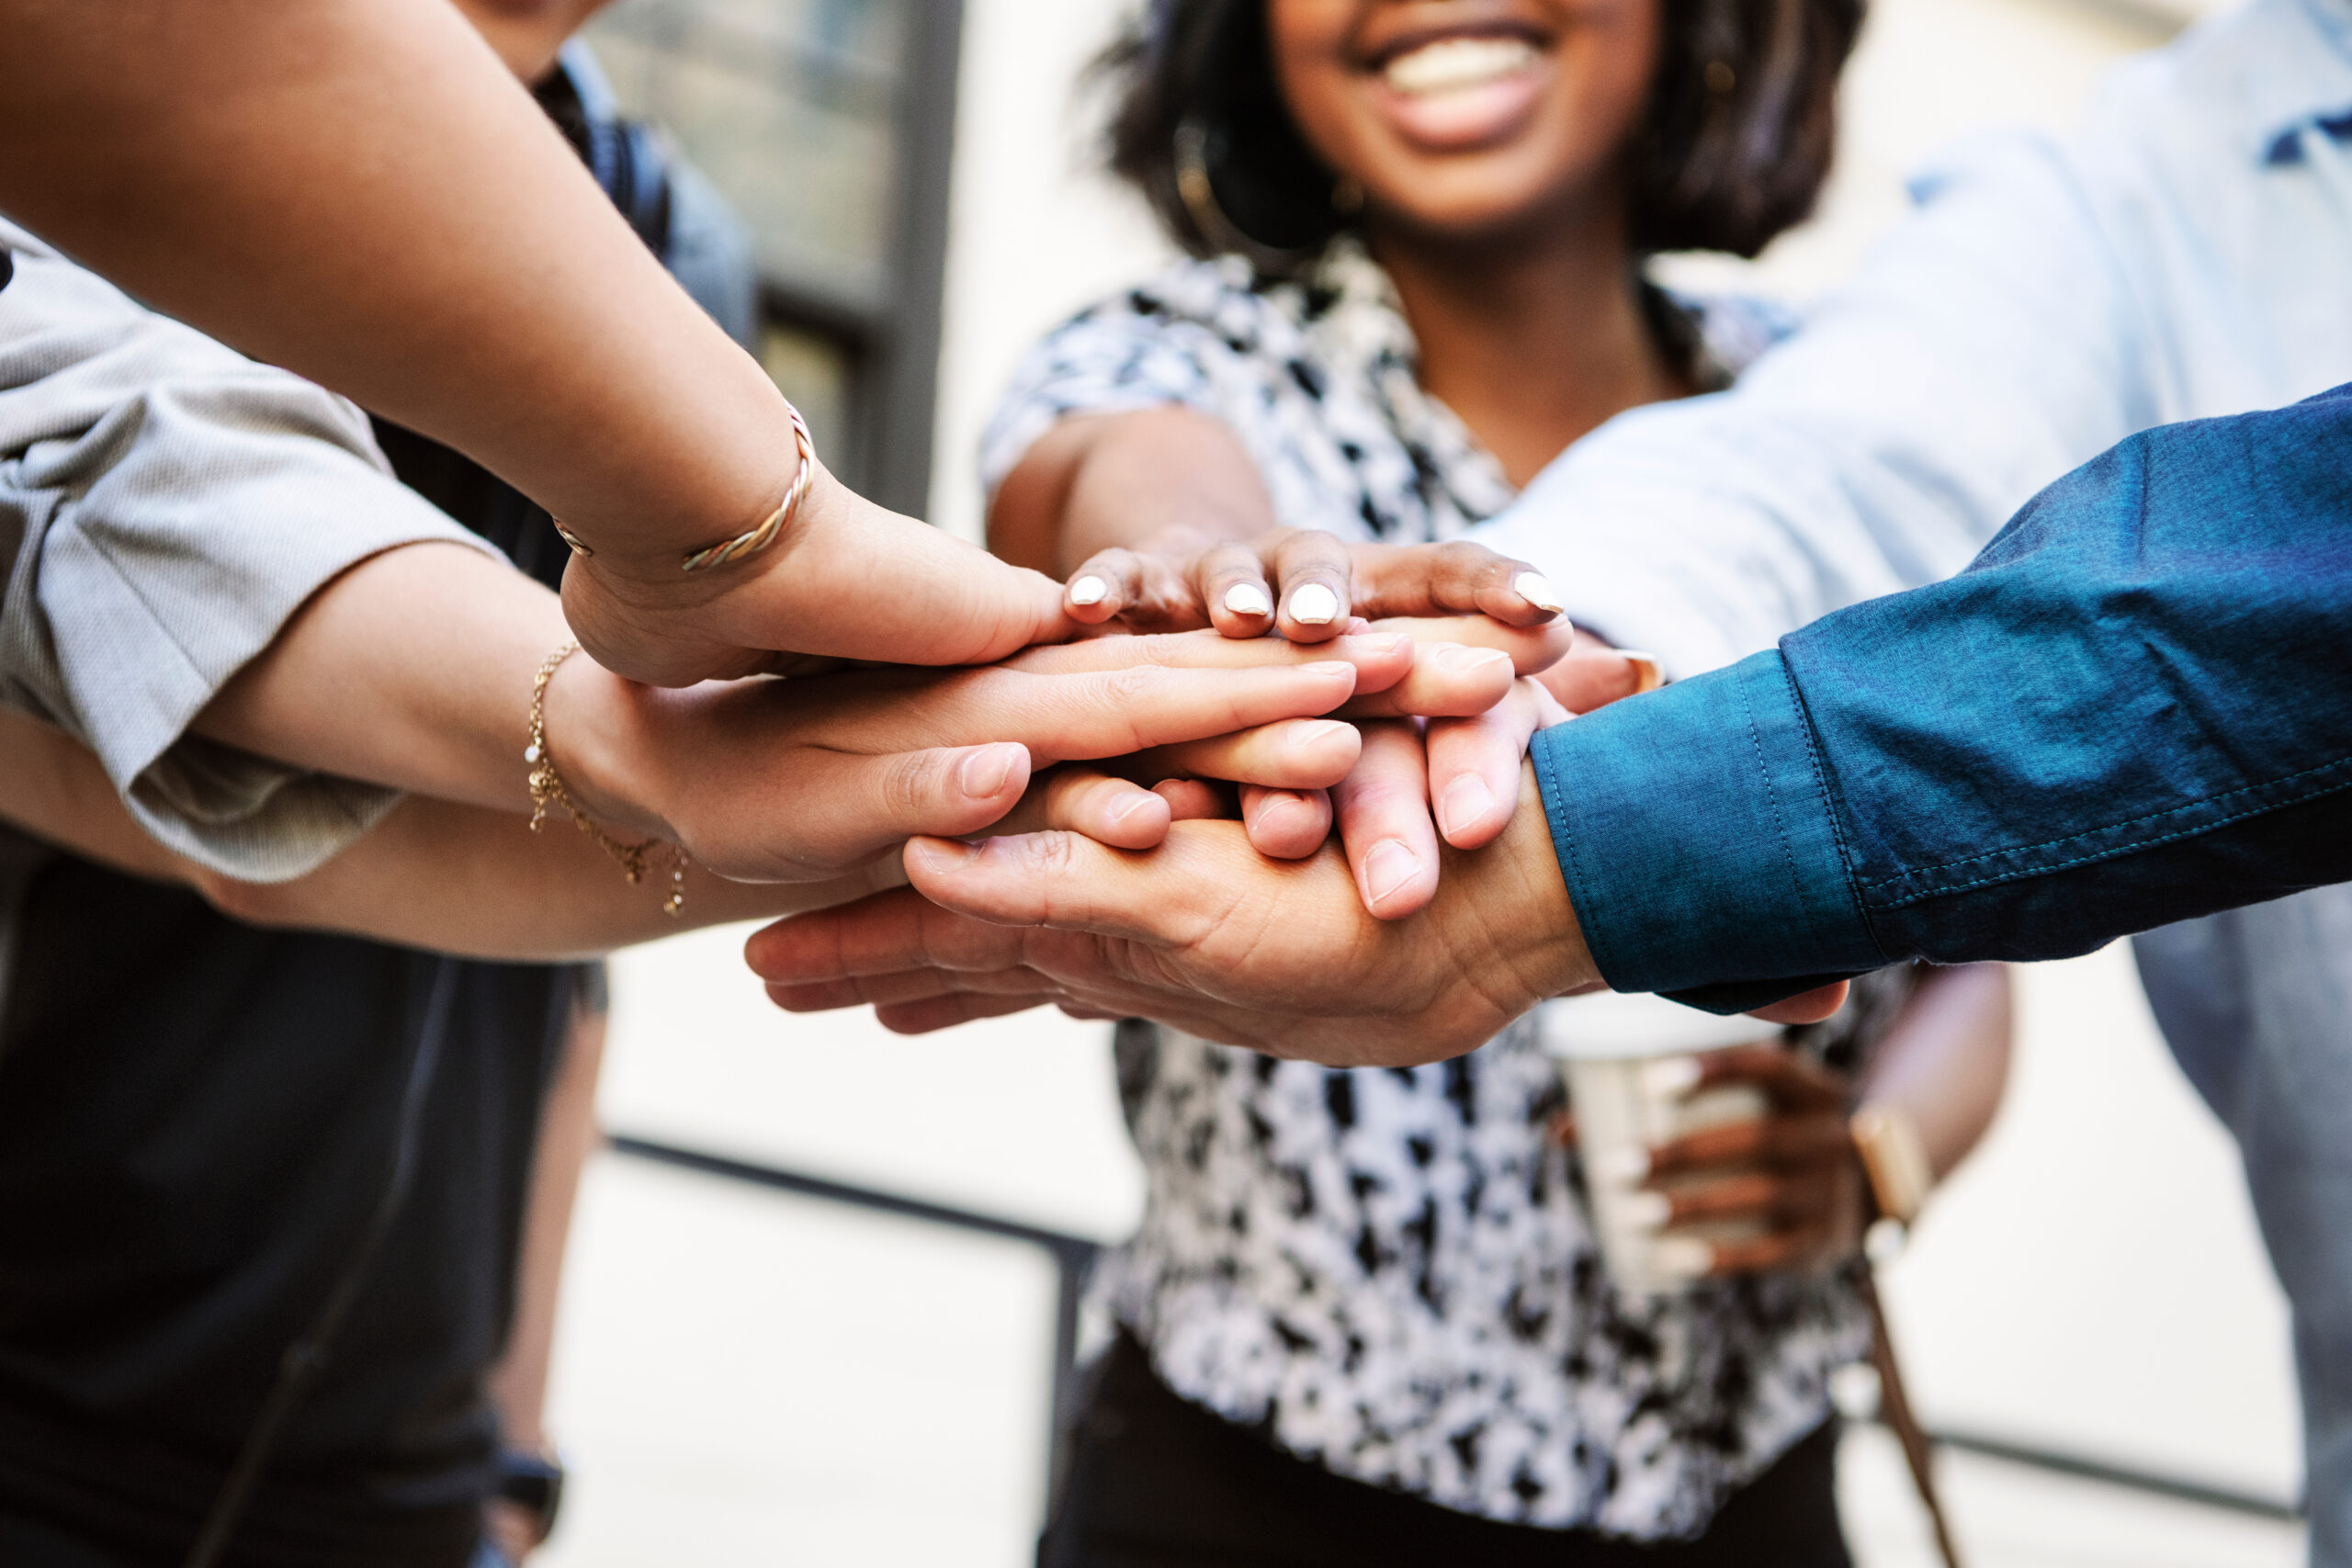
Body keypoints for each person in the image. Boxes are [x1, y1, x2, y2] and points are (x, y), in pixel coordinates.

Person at [975, 1, 2010, 1561]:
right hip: (1256, 1488)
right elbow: (1125, 481)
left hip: (1749, 1492)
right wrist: (1210, 575)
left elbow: (1978, 945)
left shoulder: (1816, 411)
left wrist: (1877, 1157)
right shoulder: (1178, 361)